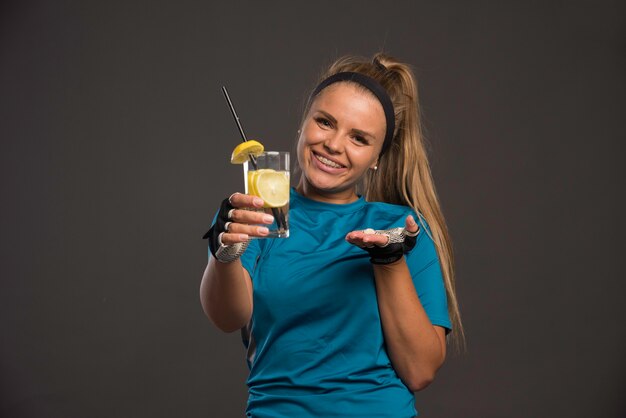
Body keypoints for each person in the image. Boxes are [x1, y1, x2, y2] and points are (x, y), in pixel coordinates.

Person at [200, 52, 464, 418]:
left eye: (358, 138)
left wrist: (389, 261)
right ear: (302, 124)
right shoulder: (252, 212)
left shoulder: (401, 227)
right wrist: (225, 249)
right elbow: (227, 317)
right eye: (325, 122)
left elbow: (420, 371)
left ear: (376, 157)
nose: (334, 145)